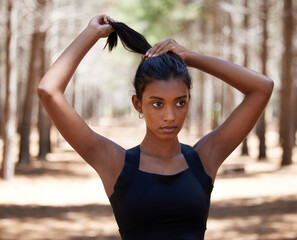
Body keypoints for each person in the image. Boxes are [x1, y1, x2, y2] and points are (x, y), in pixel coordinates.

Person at [37, 14, 274, 240]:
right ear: (138, 104)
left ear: (188, 102)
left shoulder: (203, 159)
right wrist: (90, 33)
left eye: (180, 102)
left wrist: (189, 57)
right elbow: (48, 91)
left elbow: (262, 87)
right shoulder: (115, 164)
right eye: (157, 104)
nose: (170, 116)